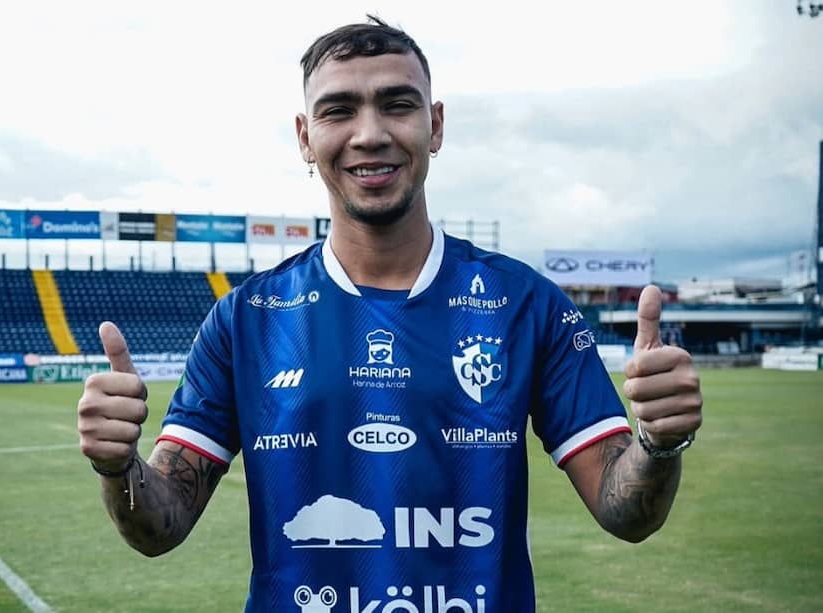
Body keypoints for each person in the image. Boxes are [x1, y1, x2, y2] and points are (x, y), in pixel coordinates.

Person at [77, 15, 703, 612]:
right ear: (305, 137)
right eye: (338, 110)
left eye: (397, 104)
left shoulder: (525, 305)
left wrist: (658, 443)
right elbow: (162, 525)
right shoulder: (246, 320)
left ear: (434, 125)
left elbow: (625, 514)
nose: (370, 133)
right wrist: (117, 466)